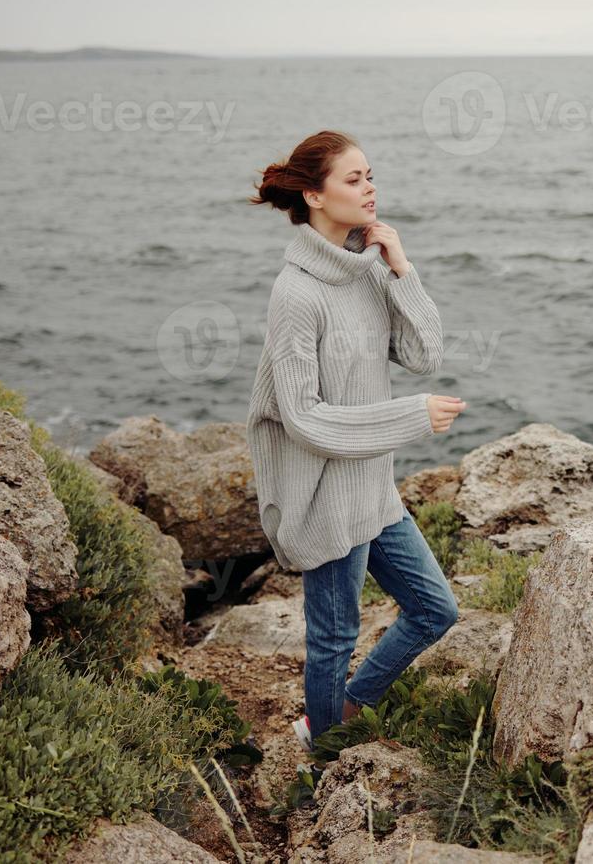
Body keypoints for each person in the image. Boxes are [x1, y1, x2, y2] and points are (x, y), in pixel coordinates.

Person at [244, 129, 468, 749]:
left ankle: (340, 713)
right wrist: (411, 418)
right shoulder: (296, 293)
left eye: (371, 176)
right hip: (323, 496)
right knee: (333, 641)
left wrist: (401, 269)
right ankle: (318, 759)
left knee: (434, 610)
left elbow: (424, 354)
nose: (369, 189)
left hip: (372, 489)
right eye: (353, 179)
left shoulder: (367, 272)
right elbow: (303, 417)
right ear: (315, 196)